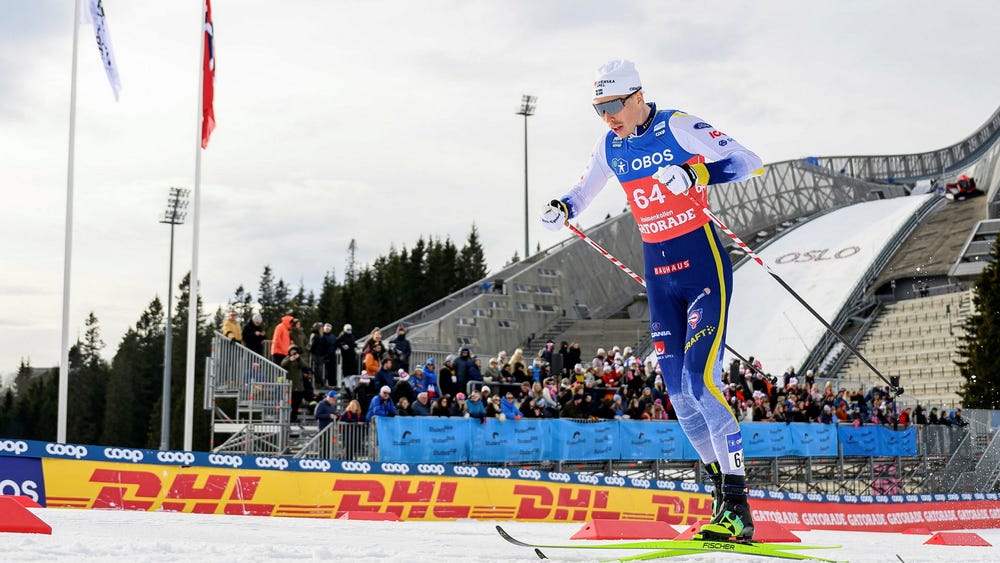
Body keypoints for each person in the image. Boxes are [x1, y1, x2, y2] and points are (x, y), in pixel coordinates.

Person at [540, 59, 762, 542]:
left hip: (703, 269)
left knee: (702, 382)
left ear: (638, 96)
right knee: (679, 397)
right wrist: (563, 208)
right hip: (660, 279)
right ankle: (722, 499)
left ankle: (741, 508)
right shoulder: (610, 144)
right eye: (598, 109)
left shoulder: (678, 126)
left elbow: (749, 161)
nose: (608, 117)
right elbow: (583, 191)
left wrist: (696, 176)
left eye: (614, 106)